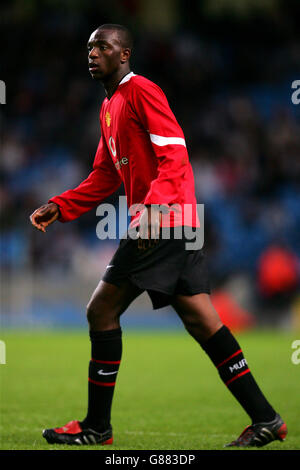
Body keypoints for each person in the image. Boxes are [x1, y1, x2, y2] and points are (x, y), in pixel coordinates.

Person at [30, 24, 287, 448]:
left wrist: (151, 210)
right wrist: (62, 205)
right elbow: (104, 175)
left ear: (125, 54)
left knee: (101, 310)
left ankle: (97, 427)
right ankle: (267, 419)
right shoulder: (109, 105)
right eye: (89, 47)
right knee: (203, 320)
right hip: (178, 222)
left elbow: (175, 153)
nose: (92, 53)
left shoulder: (142, 91)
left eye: (103, 46)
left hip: (162, 220)